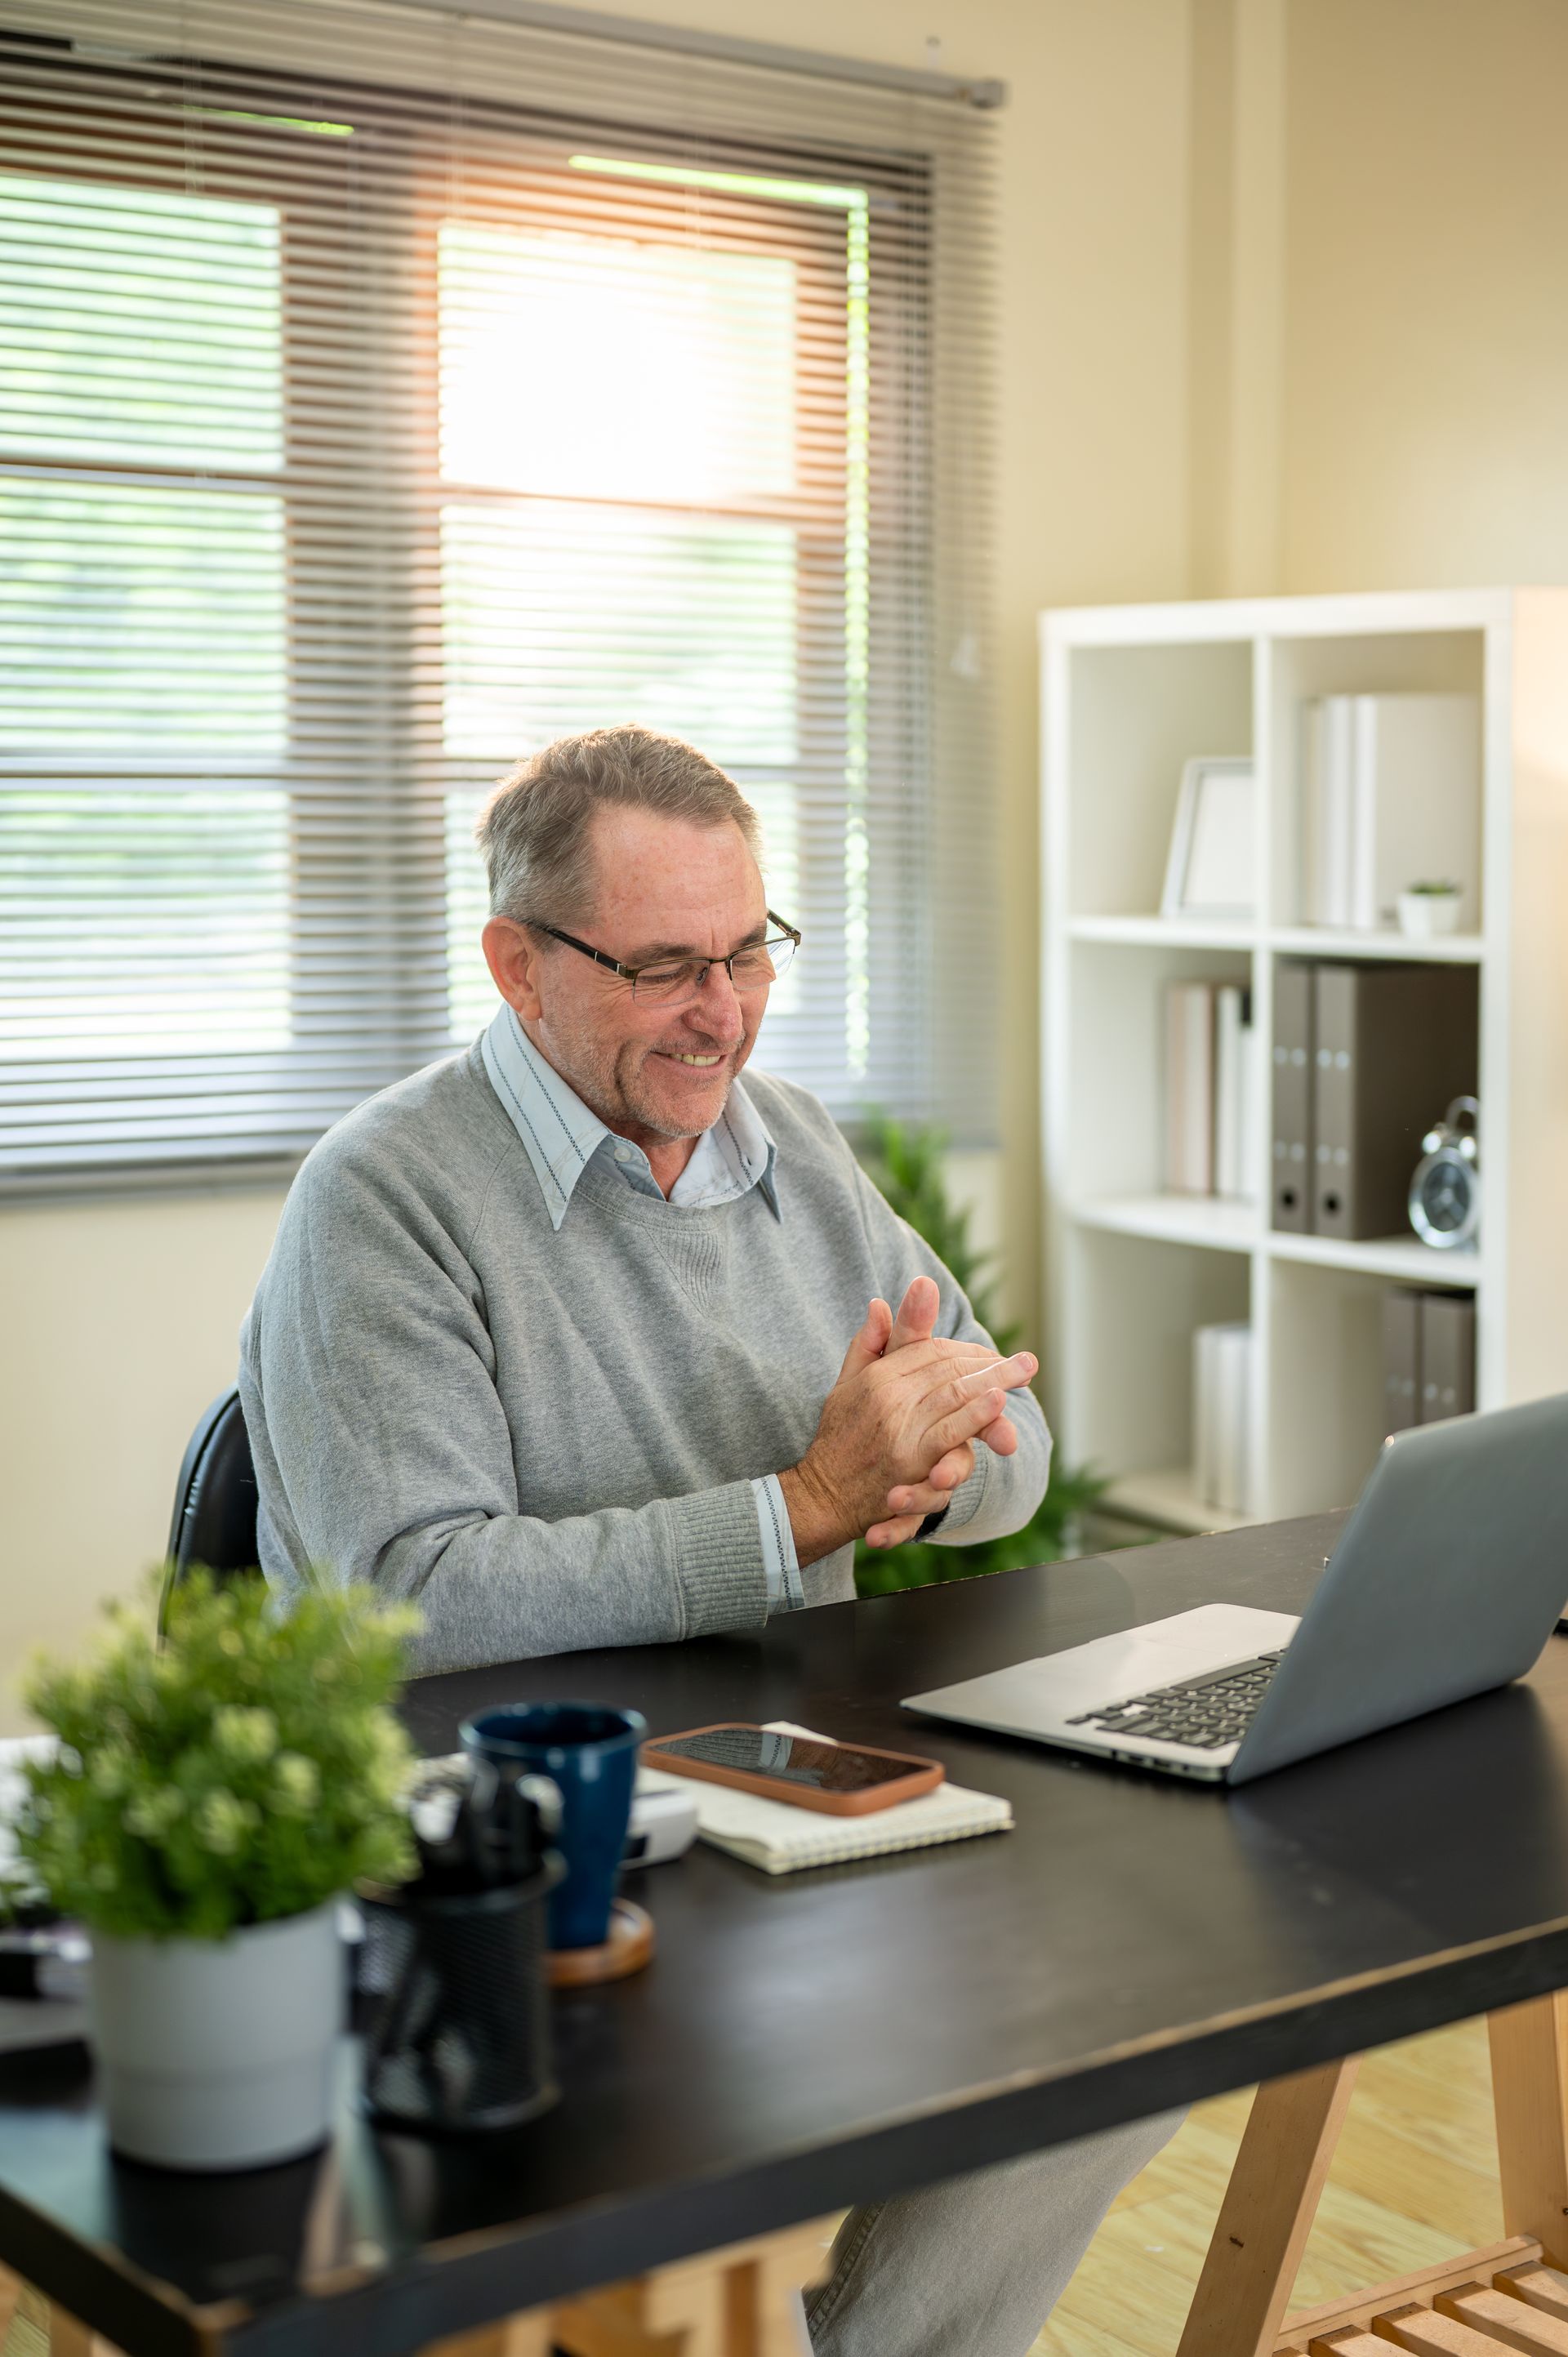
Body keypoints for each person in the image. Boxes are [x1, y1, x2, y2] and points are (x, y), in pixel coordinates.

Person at [239, 724, 1178, 2357]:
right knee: (702, 2160)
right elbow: (415, 1596)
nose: (725, 1010)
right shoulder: (382, 1197)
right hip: (509, 1841)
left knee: (1127, 2029)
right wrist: (806, 1507)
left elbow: (1007, 1449)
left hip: (786, 1781)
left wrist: (927, 1470)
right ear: (518, 966)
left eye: (750, 950)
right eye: (668, 964)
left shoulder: (794, 1149)